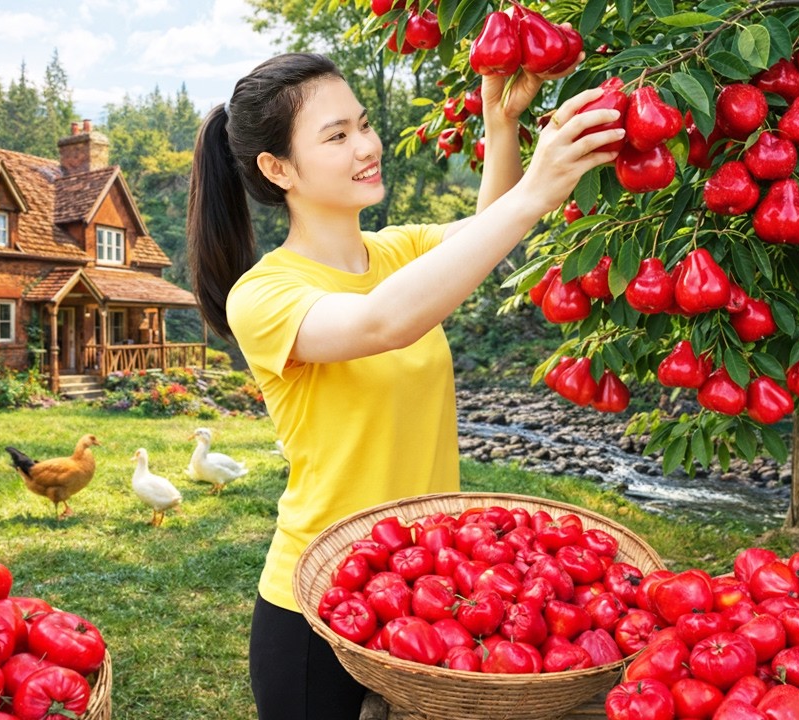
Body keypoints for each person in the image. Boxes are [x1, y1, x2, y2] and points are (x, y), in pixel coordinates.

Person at [186, 51, 624, 720]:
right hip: (321, 601)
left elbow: (487, 235)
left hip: (433, 587)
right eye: (336, 136)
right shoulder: (265, 294)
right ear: (278, 169)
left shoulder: (400, 249)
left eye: (363, 124)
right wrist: (540, 189)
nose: (367, 146)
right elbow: (382, 321)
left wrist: (499, 121)